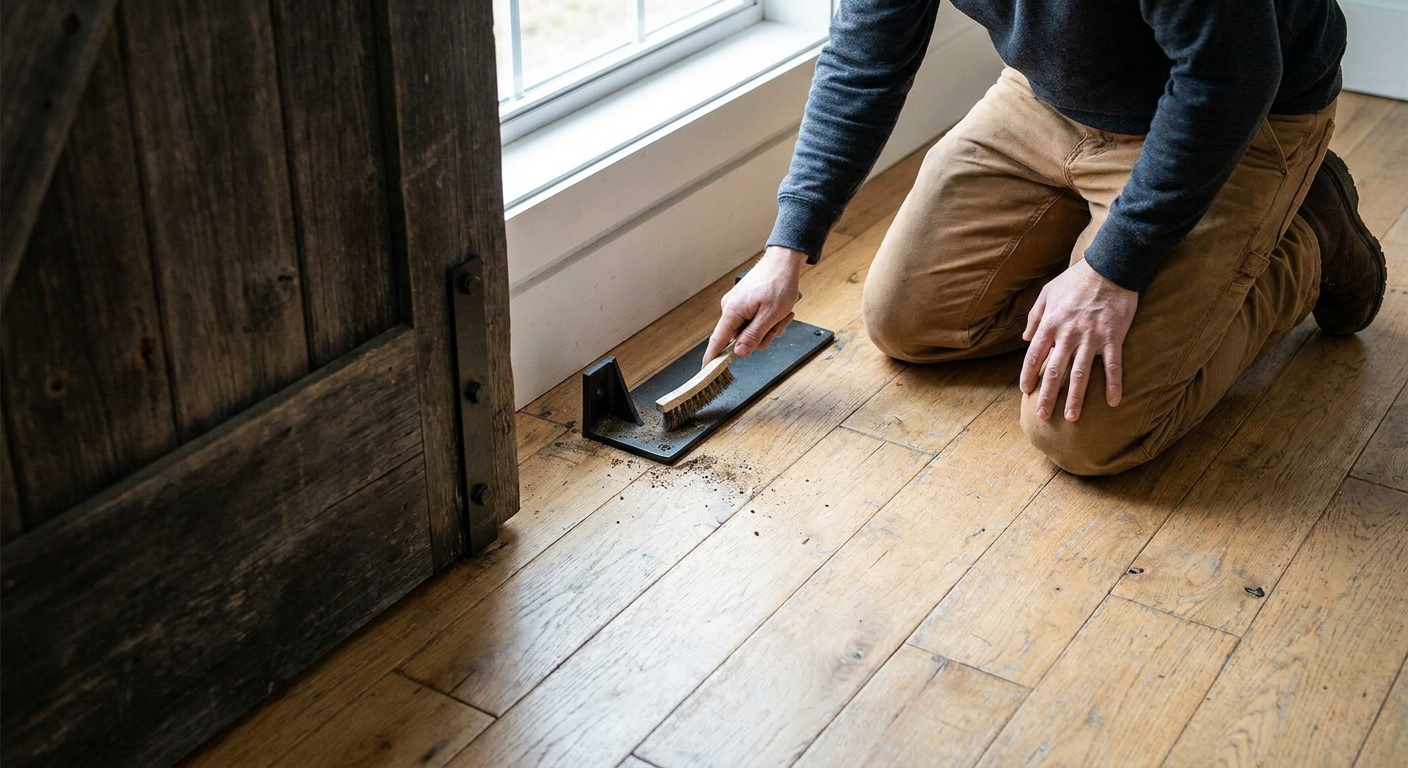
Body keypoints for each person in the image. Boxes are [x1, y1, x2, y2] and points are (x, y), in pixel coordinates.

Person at [704, 0, 1387, 475]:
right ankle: (1115, 251)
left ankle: (1309, 235)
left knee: (1085, 434)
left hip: (1230, 118)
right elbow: (863, 59)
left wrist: (1110, 271)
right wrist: (784, 250)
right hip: (1045, 99)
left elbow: (1228, 78)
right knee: (906, 323)